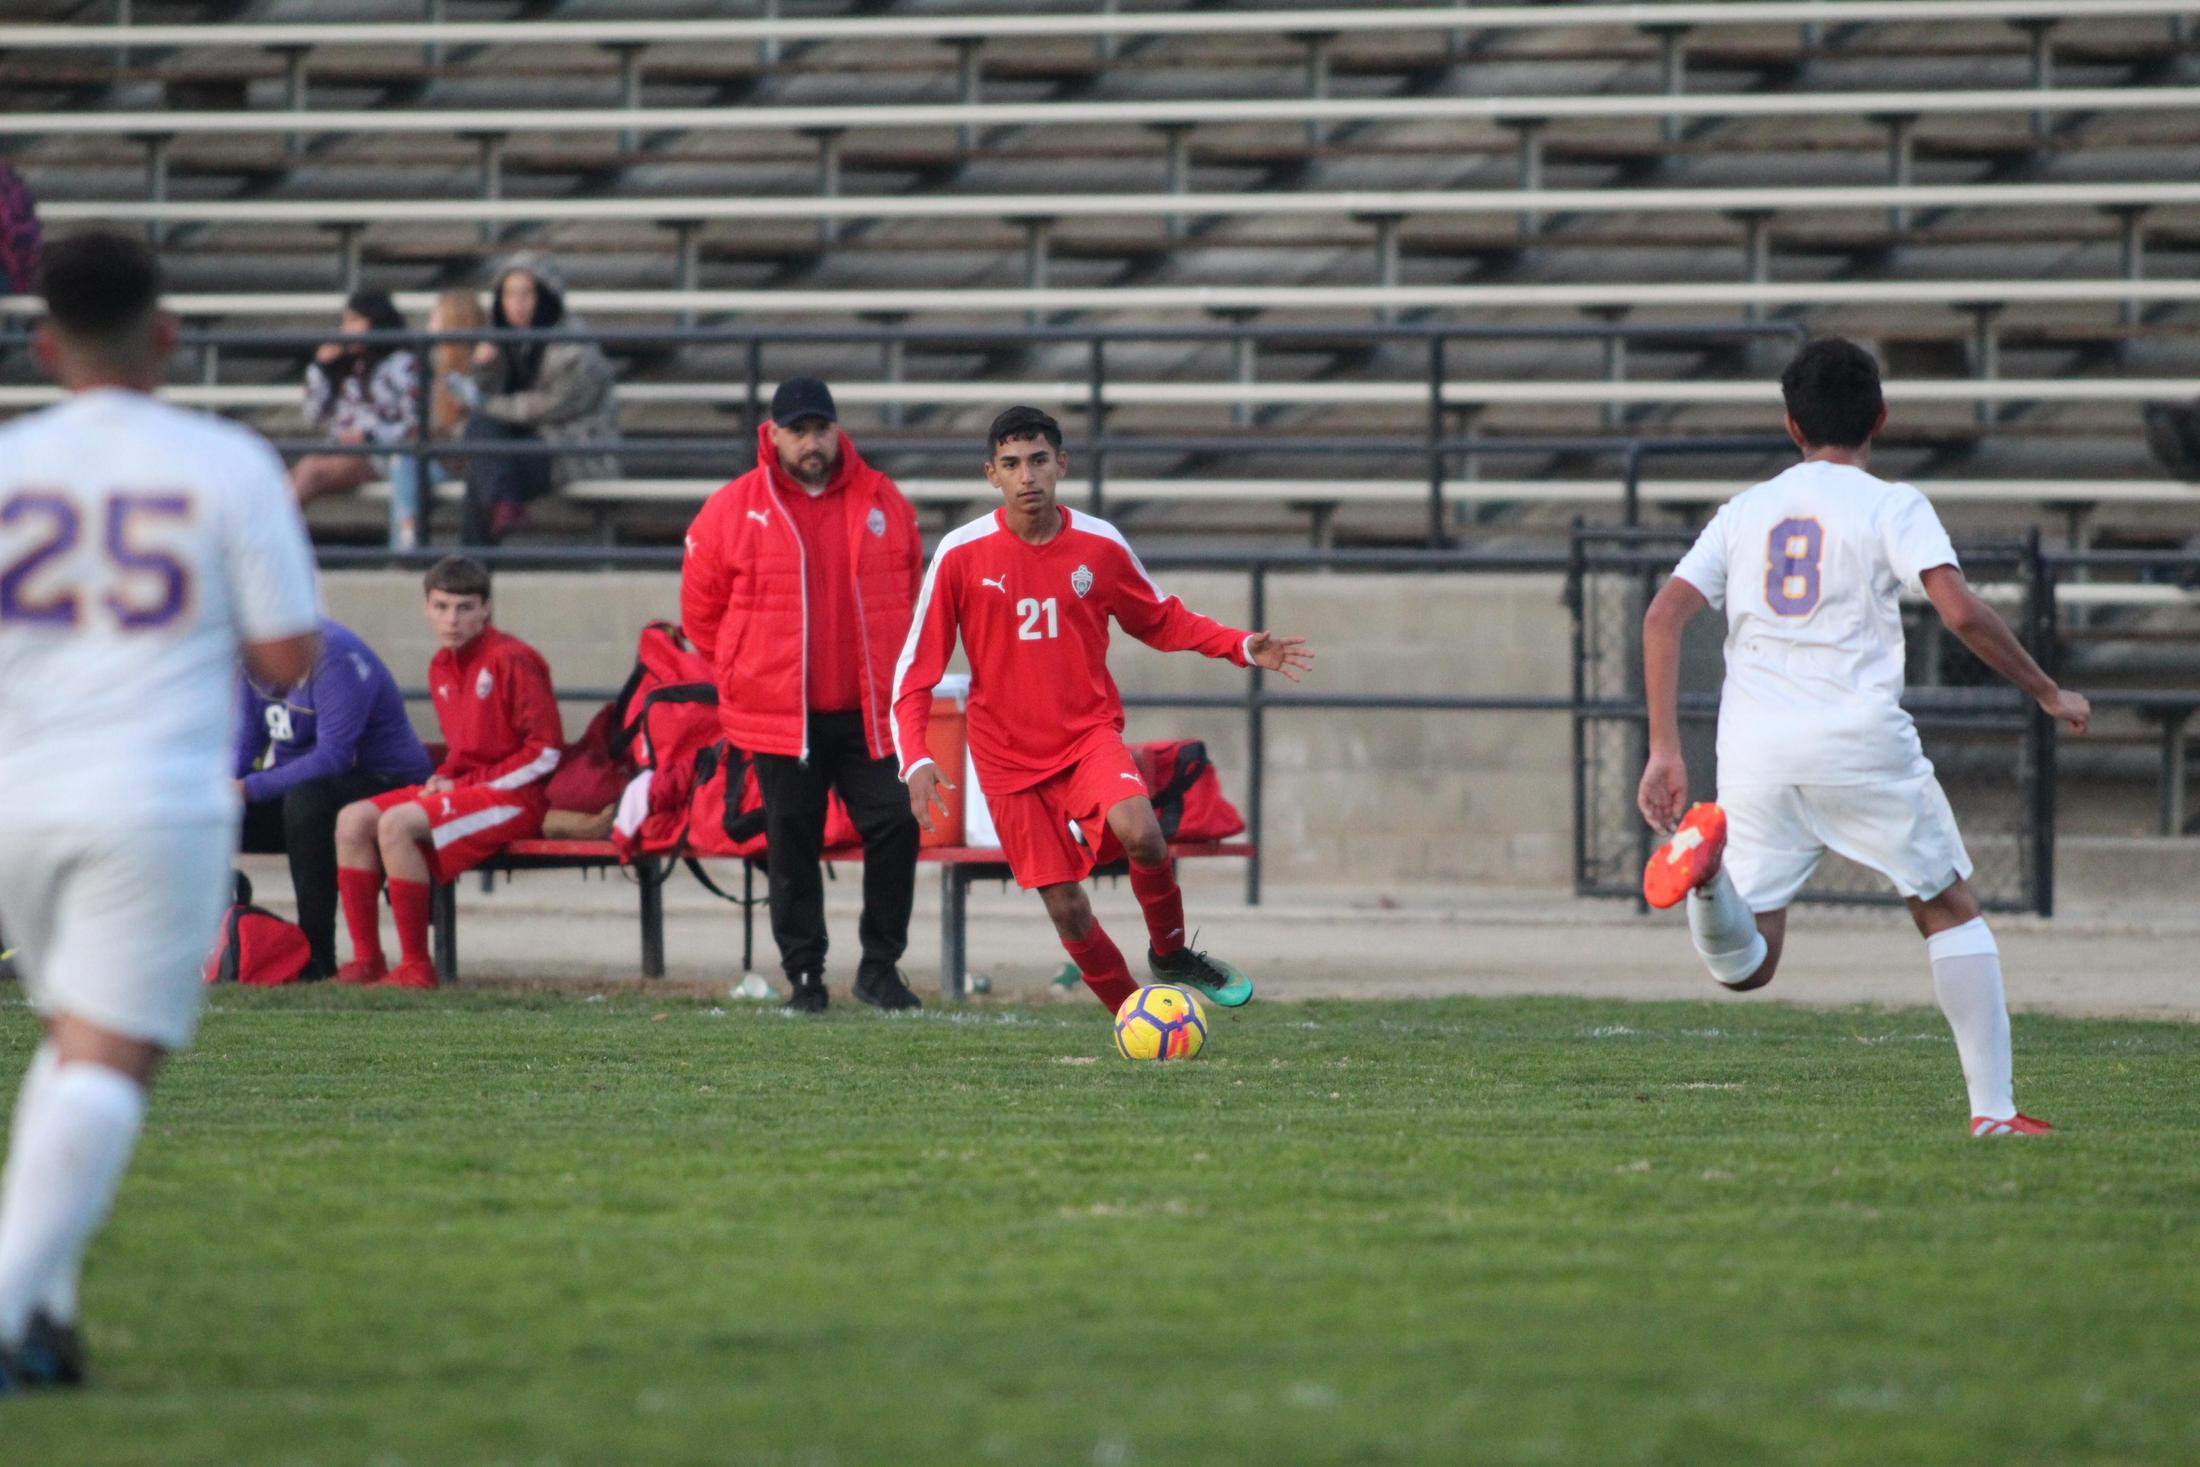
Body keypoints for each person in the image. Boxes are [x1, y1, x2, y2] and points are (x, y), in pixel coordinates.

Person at [0, 231, 321, 1390]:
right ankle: (7, 1305)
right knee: (110, 1061)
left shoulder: (12, 460)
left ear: (45, 347)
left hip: (21, 796)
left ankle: (45, 1316)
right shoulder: (223, 461)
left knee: (72, 1042)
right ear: (169, 334)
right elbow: (289, 655)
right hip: (153, 796)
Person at [1635, 336, 2091, 1138]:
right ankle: (1992, 1111)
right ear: (1880, 416)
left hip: (1758, 752)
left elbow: (1663, 615)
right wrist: (2047, 689)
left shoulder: (1743, 514)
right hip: (1858, 742)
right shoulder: (1892, 505)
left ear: (1790, 425)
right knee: (1947, 907)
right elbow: (1960, 612)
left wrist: (1667, 748)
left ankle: (1706, 882)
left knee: (1750, 964)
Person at [892, 407, 1314, 1014]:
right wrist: (916, 759)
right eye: (1011, 465)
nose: (1027, 476)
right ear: (992, 475)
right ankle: (1134, 1018)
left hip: (1087, 736)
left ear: (1061, 464)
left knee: (1142, 833)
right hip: (1007, 760)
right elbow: (914, 673)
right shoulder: (961, 554)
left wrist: (1241, 646)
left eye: (1039, 460)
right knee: (1067, 906)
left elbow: (1161, 618)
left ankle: (1170, 954)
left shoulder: (1099, 544)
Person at [680, 378, 925, 1013]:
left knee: (897, 822)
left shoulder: (883, 500)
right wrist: (748, 672)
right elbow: (701, 615)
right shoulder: (733, 508)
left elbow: (911, 588)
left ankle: (879, 966)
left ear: (837, 429)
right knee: (791, 842)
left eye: (820, 428)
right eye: (798, 430)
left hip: (869, 712)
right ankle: (805, 976)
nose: (810, 442)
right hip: (781, 717)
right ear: (773, 433)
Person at [331, 556, 563, 990]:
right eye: (441, 607)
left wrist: (464, 784)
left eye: (464, 607)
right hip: (471, 790)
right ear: (426, 608)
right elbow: (466, 748)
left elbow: (546, 753)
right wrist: (447, 777)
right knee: (352, 819)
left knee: (396, 825)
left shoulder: (514, 659)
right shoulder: (441, 665)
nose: (451, 619)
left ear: (486, 609)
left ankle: (416, 967)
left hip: (514, 801)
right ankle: (367, 960)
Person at [234, 618, 434, 979]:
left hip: (384, 781)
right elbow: (247, 743)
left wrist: (248, 789)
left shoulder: (333, 657)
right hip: (305, 788)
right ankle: (215, 947)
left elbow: (333, 757)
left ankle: (316, 954)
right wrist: (222, 789)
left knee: (306, 806)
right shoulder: (251, 655)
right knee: (209, 814)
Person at [441, 254, 618, 545]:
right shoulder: (502, 337)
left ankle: (471, 579)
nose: (518, 303)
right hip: (521, 442)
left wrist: (483, 402)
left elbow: (548, 407)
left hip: (576, 446)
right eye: (510, 294)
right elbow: (479, 402)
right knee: (485, 452)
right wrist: (485, 366)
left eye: (527, 293)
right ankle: (500, 516)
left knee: (483, 473)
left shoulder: (573, 346)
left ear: (546, 296)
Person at [291, 289, 425, 548]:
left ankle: (260, 542)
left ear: (374, 321)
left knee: (310, 472)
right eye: (344, 322)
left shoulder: (402, 363)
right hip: (341, 447)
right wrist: (320, 370)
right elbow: (314, 415)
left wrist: (370, 435)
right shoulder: (346, 364)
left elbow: (416, 422)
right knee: (292, 476)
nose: (345, 329)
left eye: (354, 321)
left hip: (381, 451)